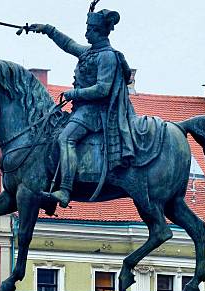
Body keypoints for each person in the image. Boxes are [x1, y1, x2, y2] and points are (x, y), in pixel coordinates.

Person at [29, 9, 137, 208]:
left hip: (96, 112)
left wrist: (74, 93)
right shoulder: (90, 52)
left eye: (89, 30)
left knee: (66, 138)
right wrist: (47, 29)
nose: (86, 34)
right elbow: (68, 45)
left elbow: (103, 89)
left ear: (98, 31)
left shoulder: (107, 57)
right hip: (83, 110)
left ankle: (66, 190)